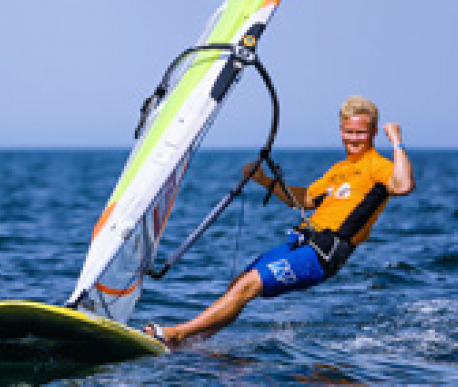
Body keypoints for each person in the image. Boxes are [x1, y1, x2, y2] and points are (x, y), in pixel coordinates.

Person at [144, 95, 414, 348]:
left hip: (323, 254)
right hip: (301, 242)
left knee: (247, 286)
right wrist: (264, 180)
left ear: (373, 133)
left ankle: (176, 333)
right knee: (239, 284)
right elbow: (306, 199)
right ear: (341, 130)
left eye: (361, 132)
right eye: (348, 131)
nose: (353, 138)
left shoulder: (378, 166)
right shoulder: (340, 169)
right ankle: (192, 343)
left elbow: (403, 186)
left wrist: (397, 141)